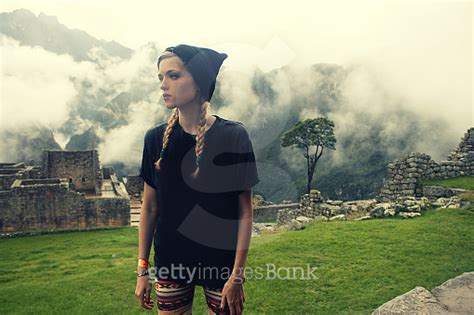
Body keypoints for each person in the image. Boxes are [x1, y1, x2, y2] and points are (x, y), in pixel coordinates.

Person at [134, 44, 260, 315]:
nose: (163, 85)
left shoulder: (233, 137)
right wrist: (142, 269)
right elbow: (150, 207)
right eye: (160, 78)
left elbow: (245, 211)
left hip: (221, 265)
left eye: (173, 76)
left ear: (200, 81)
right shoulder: (155, 140)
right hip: (171, 262)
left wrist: (237, 276)